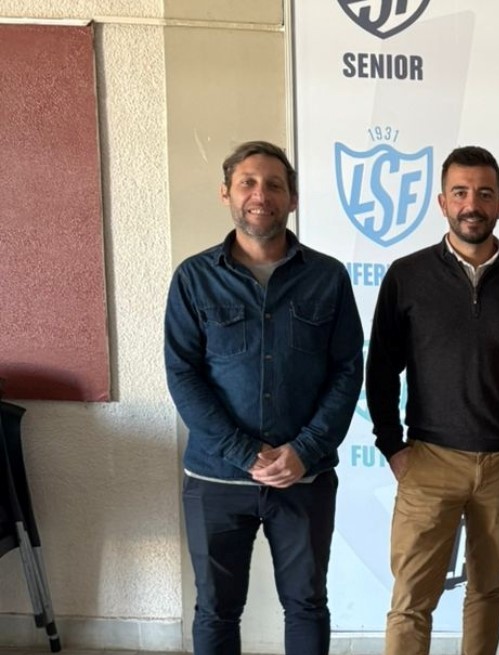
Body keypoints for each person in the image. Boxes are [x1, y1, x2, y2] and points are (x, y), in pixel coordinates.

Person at [164, 140, 364, 655]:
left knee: (306, 605)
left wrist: (304, 450)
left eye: (274, 185)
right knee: (215, 609)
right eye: (247, 183)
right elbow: (183, 375)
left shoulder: (328, 277)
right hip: (216, 478)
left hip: (304, 477)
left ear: (292, 198)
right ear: (226, 193)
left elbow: (347, 372)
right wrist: (244, 453)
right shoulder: (193, 278)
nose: (261, 194)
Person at [365, 146, 499, 655]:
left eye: (484, 194)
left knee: (487, 590)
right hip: (429, 461)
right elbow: (381, 369)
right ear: (442, 202)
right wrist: (392, 447)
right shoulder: (407, 276)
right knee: (411, 600)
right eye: (460, 193)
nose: (472, 204)